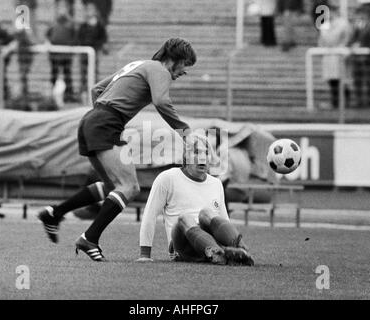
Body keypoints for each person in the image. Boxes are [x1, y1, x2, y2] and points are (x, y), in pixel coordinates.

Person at [38, 38, 198, 262]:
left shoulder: (138, 65)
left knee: (112, 186)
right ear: (175, 59)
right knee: (130, 187)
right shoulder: (158, 69)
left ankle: (55, 213)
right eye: (185, 66)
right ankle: (89, 238)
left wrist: (103, 117)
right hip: (105, 123)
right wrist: (184, 131)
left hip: (91, 121)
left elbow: (97, 90)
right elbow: (161, 102)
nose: (183, 72)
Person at [136, 136, 254, 266]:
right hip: (182, 245)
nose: (202, 158)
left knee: (206, 213)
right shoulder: (168, 178)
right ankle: (218, 253)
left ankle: (242, 252)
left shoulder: (216, 183)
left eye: (206, 153)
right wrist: (145, 255)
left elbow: (224, 221)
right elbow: (150, 215)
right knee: (184, 218)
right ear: (186, 157)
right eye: (196, 152)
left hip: (211, 240)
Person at [318, 4, 352, 109]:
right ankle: (335, 102)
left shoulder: (342, 23)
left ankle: (343, 102)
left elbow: (336, 38)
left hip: (339, 56)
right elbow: (321, 40)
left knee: (341, 80)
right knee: (332, 80)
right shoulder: (324, 23)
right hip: (328, 56)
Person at [77, 3, 108, 99]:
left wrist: (99, 46)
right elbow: (79, 37)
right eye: (88, 9)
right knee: (83, 74)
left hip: (94, 53)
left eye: (91, 9)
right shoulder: (83, 26)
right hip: (84, 53)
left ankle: (94, 92)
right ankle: (83, 93)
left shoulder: (99, 25)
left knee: (94, 72)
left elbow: (103, 38)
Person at [46, 13, 77, 102]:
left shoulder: (53, 28)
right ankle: (68, 95)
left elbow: (48, 39)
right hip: (64, 56)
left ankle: (53, 95)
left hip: (56, 56)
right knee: (66, 75)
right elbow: (74, 41)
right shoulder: (69, 29)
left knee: (55, 75)